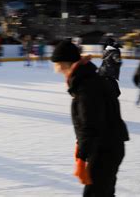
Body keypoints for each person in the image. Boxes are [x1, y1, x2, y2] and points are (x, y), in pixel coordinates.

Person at [51, 40, 129, 196]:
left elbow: (90, 125)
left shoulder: (86, 86)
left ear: (64, 64)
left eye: (59, 67)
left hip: (104, 149)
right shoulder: (88, 78)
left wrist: (81, 157)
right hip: (108, 146)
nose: (59, 72)